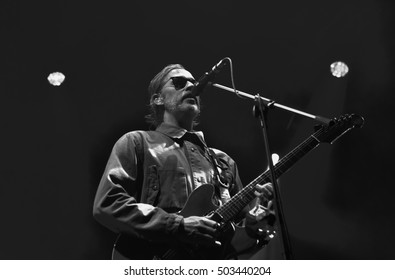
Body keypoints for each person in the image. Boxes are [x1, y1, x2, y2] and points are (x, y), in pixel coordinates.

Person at [92, 63, 276, 259]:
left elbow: (237, 244)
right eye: (179, 82)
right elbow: (108, 203)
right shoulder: (137, 142)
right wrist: (177, 226)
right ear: (158, 99)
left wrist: (256, 222)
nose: (191, 86)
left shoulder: (223, 162)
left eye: (194, 83)